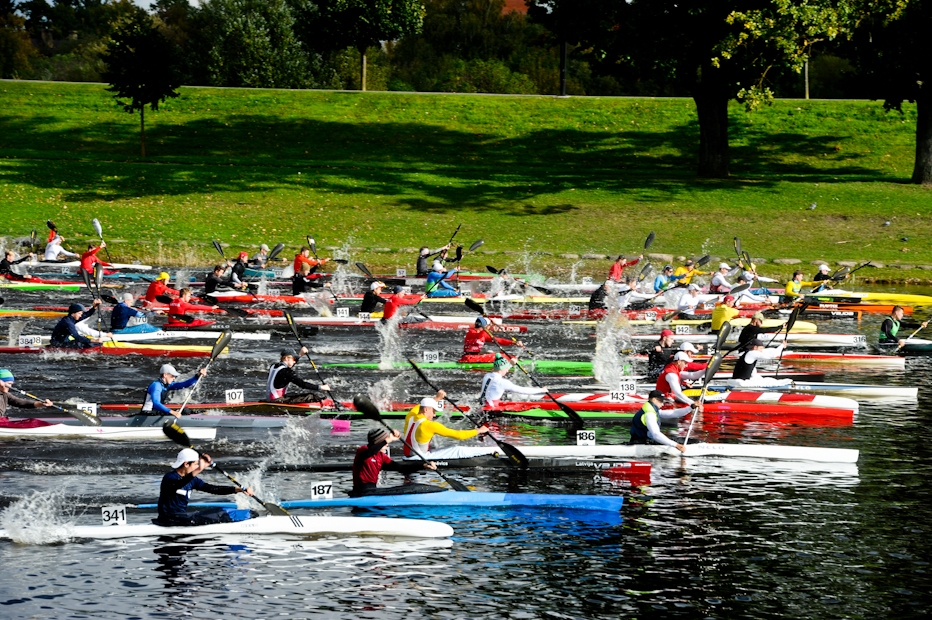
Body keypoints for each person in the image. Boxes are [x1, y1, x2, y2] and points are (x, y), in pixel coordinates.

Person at [156, 448, 253, 526]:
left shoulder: (193, 480)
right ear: (186, 464)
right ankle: (248, 518)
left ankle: (250, 515)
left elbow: (212, 489)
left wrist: (238, 489)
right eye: (195, 464)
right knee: (222, 513)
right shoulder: (169, 477)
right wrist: (199, 469)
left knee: (223, 509)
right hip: (168, 519)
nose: (197, 467)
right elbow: (177, 485)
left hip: (181, 518)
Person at [350, 428, 438, 497]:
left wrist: (423, 465)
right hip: (360, 491)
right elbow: (371, 452)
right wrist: (389, 439)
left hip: (372, 491)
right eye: (384, 442)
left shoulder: (382, 457)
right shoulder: (362, 451)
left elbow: (402, 468)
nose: (387, 445)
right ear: (378, 442)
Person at [402, 392, 490, 458]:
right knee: (458, 450)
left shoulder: (410, 416)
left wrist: (437, 398)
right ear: (425, 410)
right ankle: (491, 451)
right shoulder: (430, 425)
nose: (434, 415)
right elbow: (458, 435)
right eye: (433, 411)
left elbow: (418, 407)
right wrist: (479, 430)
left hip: (407, 455)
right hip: (420, 458)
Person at [629, 390, 697, 452]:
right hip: (642, 442)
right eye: (661, 401)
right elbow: (656, 434)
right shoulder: (649, 414)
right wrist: (676, 445)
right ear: (654, 400)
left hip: (645, 440)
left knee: (684, 440)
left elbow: (674, 413)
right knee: (682, 441)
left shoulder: (652, 410)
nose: (662, 404)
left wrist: (691, 407)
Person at [479, 354, 547, 407]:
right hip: (491, 411)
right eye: (506, 368)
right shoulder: (502, 382)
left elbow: (500, 369)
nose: (507, 370)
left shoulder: (487, 376)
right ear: (501, 369)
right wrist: (541, 390)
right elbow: (522, 390)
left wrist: (510, 364)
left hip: (483, 406)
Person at [266, 348, 331, 403]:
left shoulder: (273, 366)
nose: (295, 362)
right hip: (277, 401)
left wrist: (300, 355)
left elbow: (286, 369)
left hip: (270, 399)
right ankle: (325, 404)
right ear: (286, 358)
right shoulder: (287, 372)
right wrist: (321, 387)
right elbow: (302, 384)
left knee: (294, 394)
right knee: (310, 396)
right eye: (294, 359)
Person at [142, 364, 207, 418]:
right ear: (165, 375)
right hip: (148, 413)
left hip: (156, 412)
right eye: (172, 376)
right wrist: (172, 412)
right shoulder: (156, 385)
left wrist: (197, 376)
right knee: (184, 412)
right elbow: (156, 403)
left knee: (186, 410)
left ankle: (204, 415)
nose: (174, 378)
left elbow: (184, 384)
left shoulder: (167, 385)